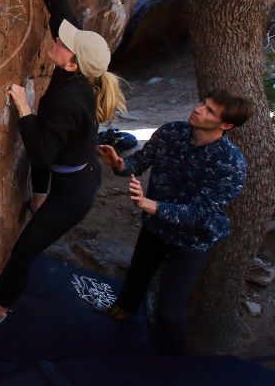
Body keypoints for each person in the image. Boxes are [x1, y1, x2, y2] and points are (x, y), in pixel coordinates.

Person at [0, 0, 126, 330]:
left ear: (73, 65)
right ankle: (39, 201)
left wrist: (23, 107)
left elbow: (40, 153)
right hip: (70, 164)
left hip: (74, 191)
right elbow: (62, 15)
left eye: (64, 46)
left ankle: (0, 312)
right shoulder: (75, 65)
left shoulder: (69, 101)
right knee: (43, 184)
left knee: (23, 252)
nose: (58, 40)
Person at [97, 89, 253, 355]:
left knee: (169, 313)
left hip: (192, 240)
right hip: (156, 227)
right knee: (135, 279)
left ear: (226, 125)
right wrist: (120, 164)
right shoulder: (172, 132)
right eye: (203, 104)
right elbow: (141, 161)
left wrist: (150, 205)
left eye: (210, 111)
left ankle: (171, 365)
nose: (199, 109)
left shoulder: (230, 164)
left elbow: (200, 213)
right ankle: (120, 317)